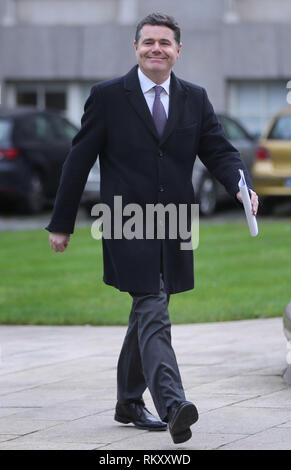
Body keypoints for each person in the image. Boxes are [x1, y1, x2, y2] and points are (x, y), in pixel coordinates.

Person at [45, 13, 258, 444]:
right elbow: (78, 160)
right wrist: (62, 223)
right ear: (136, 48)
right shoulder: (107, 97)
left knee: (148, 308)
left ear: (178, 50)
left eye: (164, 42)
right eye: (148, 42)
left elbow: (219, 151)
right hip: (125, 221)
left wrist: (242, 187)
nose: (156, 49)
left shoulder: (194, 99)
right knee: (152, 304)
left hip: (175, 223)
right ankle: (174, 404)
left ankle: (127, 401)